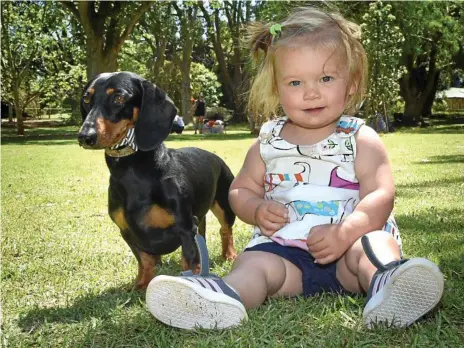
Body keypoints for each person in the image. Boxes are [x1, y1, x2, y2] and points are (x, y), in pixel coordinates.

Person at [145, 7, 444, 330]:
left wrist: (346, 232)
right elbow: (240, 190)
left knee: (374, 247)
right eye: (295, 82)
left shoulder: (360, 138)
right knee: (253, 264)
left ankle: (388, 283)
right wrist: (257, 209)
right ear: (277, 87)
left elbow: (382, 195)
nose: (311, 92)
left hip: (350, 254)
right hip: (286, 257)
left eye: (326, 78)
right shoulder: (267, 142)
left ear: (352, 83)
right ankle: (222, 296)